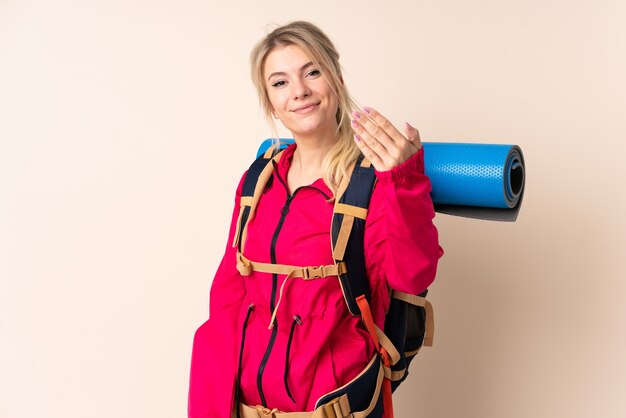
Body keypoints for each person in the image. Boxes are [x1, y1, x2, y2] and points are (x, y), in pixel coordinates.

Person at [188, 20, 443, 418]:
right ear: (270, 102)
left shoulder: (372, 183)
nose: (300, 91)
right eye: (280, 82)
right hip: (246, 407)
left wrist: (403, 181)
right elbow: (228, 298)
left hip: (337, 407)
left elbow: (412, 274)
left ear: (336, 80)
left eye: (312, 72)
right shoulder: (259, 180)